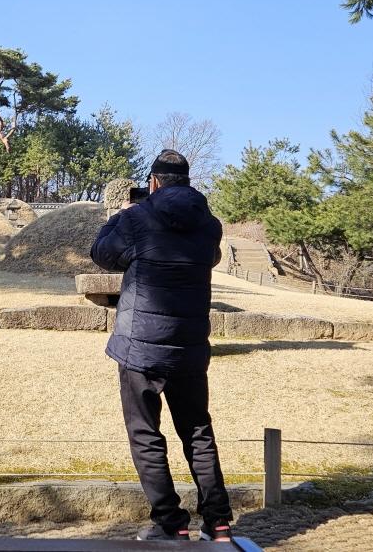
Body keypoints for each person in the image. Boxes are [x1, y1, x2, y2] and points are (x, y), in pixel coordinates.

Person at [90, 149, 232, 542]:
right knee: (198, 431)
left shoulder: (136, 218)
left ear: (152, 181)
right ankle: (218, 523)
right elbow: (210, 257)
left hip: (140, 347)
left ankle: (171, 524)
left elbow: (103, 255)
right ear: (186, 181)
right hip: (189, 347)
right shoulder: (210, 226)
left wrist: (118, 216)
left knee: (145, 434)